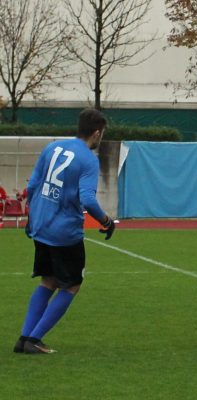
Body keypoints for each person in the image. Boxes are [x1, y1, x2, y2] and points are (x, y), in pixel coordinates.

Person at [13, 109, 116, 354]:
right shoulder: (89, 159)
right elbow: (88, 200)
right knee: (70, 286)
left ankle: (24, 339)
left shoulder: (53, 148)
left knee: (47, 281)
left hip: (41, 227)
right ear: (97, 133)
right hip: (64, 233)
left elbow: (33, 185)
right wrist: (106, 220)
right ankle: (34, 339)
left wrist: (32, 218)